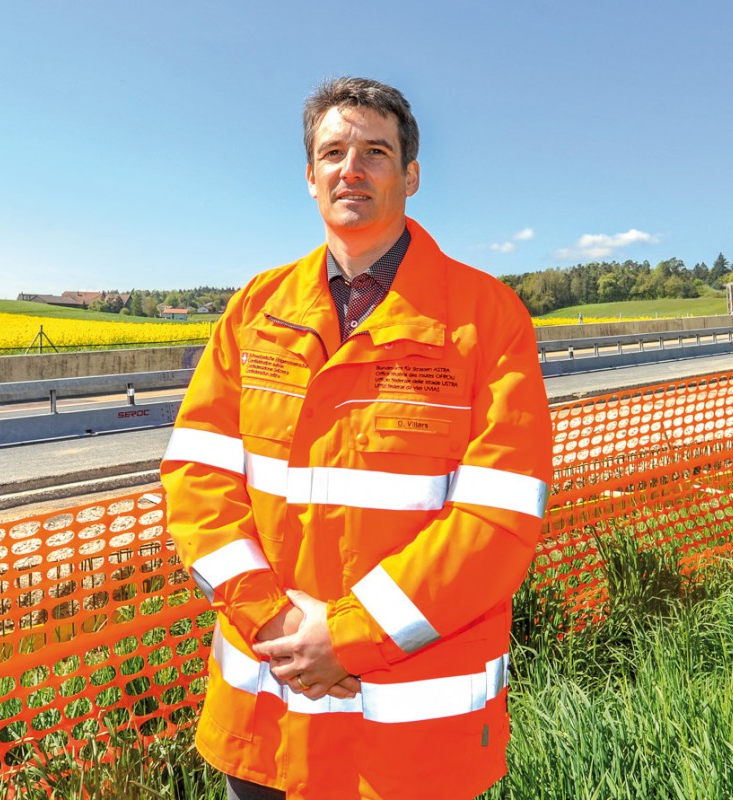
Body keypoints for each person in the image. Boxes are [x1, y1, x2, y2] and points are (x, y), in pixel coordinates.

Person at [160, 76, 553, 800]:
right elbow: (195, 480)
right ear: (310, 177)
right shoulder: (254, 310)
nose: (352, 168)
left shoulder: (486, 320)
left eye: (376, 151)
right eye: (333, 151)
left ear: (410, 176)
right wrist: (274, 620)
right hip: (264, 727)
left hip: (410, 748)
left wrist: (348, 634)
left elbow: (498, 522)